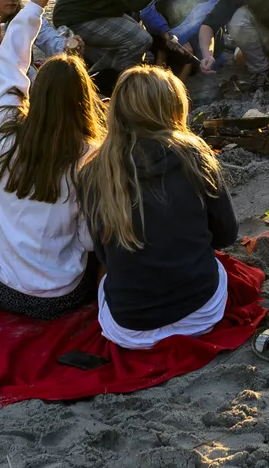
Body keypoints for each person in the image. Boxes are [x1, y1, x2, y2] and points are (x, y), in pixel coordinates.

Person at [78, 66, 239, 349]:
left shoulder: (95, 171)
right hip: (202, 314)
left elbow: (102, 253)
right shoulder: (194, 155)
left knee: (106, 279)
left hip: (130, 331)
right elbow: (226, 234)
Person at [0, 0, 106, 319]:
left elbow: (8, 62)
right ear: (84, 102)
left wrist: (37, 2)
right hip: (62, 295)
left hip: (5, 288)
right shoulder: (88, 154)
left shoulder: (3, 131)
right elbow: (87, 240)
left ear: (35, 94)